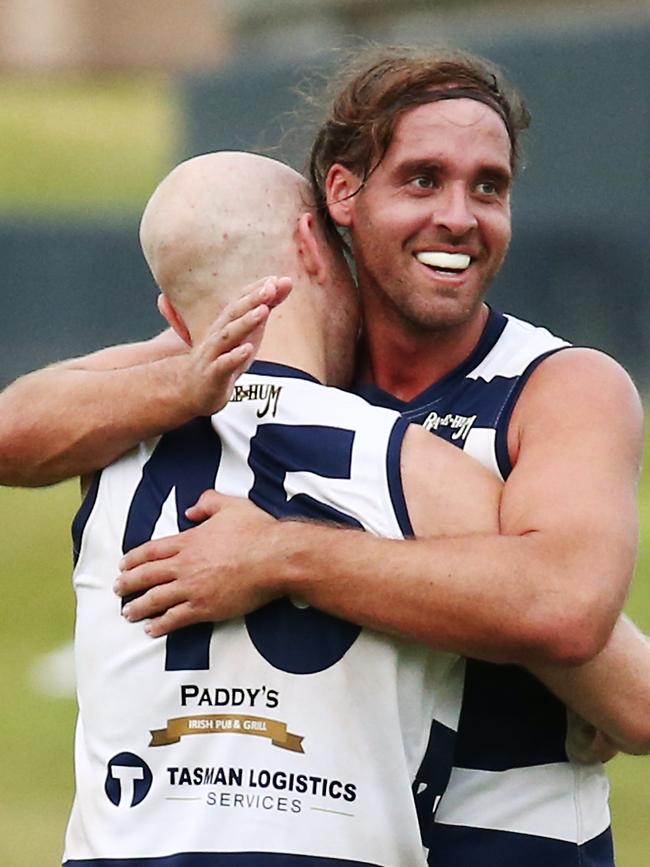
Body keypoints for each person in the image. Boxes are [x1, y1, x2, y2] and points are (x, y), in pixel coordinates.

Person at [0, 51, 646, 866]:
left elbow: (570, 613)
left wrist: (283, 554)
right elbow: (17, 427)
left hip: (512, 841)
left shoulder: (561, 385)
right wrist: (177, 383)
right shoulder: (274, 341)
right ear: (340, 198)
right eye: (422, 180)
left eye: (489, 186)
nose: (460, 215)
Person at [57, 150, 511, 866]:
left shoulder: (102, 447)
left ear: (174, 316)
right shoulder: (410, 459)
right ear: (312, 245)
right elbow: (595, 655)